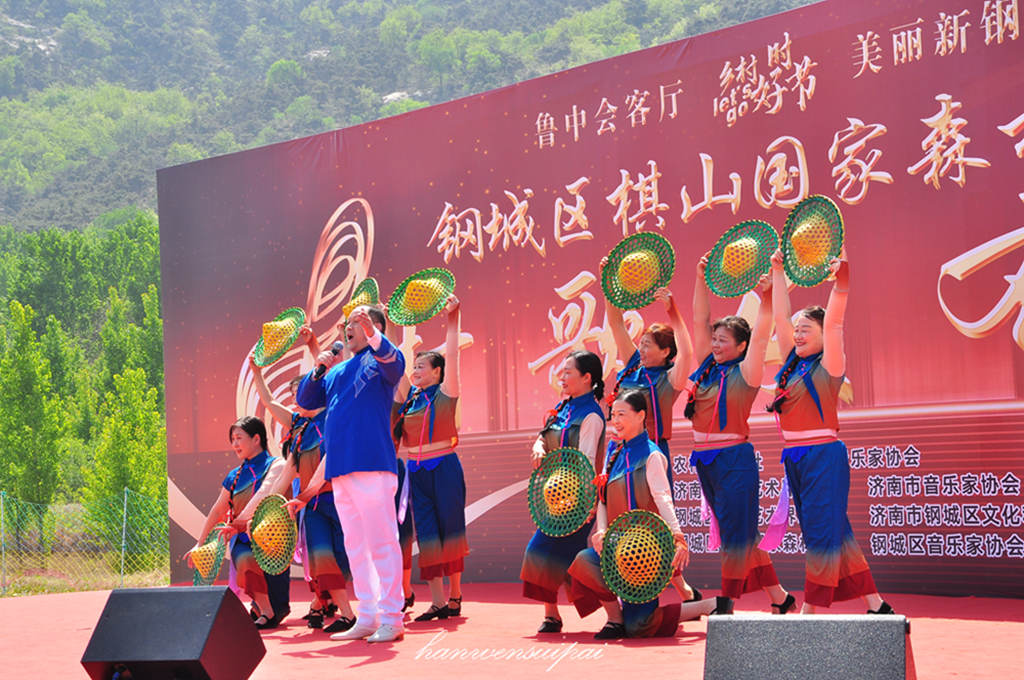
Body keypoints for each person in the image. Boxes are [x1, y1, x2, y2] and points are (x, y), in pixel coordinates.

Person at [769, 249, 893, 614]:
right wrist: (777, 272)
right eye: (797, 330)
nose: (797, 334)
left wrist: (842, 279)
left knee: (822, 532)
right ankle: (876, 605)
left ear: (824, 335)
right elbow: (780, 318)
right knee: (833, 531)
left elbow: (836, 321)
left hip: (823, 456)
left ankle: (811, 608)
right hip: (795, 458)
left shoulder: (830, 365)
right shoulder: (792, 365)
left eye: (806, 329)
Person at [568, 390, 730, 639]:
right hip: (617, 547)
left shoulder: (652, 455)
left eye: (622, 414)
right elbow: (602, 496)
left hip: (645, 552)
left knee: (640, 626)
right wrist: (601, 530)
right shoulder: (614, 451)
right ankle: (614, 620)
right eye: (613, 415)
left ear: (641, 415)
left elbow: (664, 499)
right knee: (583, 562)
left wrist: (678, 537)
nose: (615, 421)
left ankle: (708, 606)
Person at [288, 305, 407, 643]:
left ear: (374, 327)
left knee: (382, 542)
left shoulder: (381, 360)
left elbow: (395, 362)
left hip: (372, 464)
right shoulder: (338, 371)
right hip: (340, 470)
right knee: (356, 546)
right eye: (347, 324)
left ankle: (392, 617)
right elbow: (306, 400)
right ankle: (367, 615)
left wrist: (374, 334)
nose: (348, 328)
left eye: (357, 322)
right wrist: (319, 367)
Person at [687, 257, 794, 613]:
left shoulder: (746, 372)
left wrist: (767, 299)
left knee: (735, 534)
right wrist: (700, 277)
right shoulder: (706, 368)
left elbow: (761, 335)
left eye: (723, 340)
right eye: (714, 339)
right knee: (742, 535)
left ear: (740, 346)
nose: (716, 344)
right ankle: (780, 598)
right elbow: (699, 320)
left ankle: (727, 602)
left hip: (734, 462)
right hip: (705, 462)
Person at [601, 271, 702, 603]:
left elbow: (688, 351)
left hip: (649, 455)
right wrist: (608, 282)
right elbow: (616, 323)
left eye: (648, 345)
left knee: (654, 522)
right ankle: (646, 587)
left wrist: (673, 311)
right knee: (619, 518)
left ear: (665, 351)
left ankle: (671, 587)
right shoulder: (633, 367)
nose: (641, 348)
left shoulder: (668, 379)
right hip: (619, 453)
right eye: (641, 343)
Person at [248, 326, 355, 633]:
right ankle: (346, 614)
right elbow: (287, 471)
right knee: (320, 558)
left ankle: (326, 605)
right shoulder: (298, 429)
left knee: (346, 558)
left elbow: (337, 373)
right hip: (312, 504)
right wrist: (268, 508)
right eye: (295, 395)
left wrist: (314, 344)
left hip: (342, 497)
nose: (297, 399)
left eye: (302, 393)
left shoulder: (333, 416)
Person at [388, 295, 469, 621]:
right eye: (415, 366)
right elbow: (393, 362)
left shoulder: (447, 392)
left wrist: (453, 317)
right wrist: (389, 325)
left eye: (421, 366)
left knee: (451, 530)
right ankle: (436, 602)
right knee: (427, 534)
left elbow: (453, 352)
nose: (416, 370)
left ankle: (455, 594)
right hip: (416, 472)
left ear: (437, 372)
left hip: (445, 468)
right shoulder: (409, 399)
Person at [521, 350, 606, 633]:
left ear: (587, 377)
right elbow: (545, 435)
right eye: (563, 371)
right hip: (554, 497)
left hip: (577, 502)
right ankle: (555, 615)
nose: (562, 376)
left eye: (568, 372)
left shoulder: (592, 415)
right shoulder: (563, 407)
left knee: (543, 553)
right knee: (567, 561)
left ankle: (617, 613)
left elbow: (586, 462)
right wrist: (538, 446)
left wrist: (582, 503)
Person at [186, 416, 291, 629]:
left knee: (280, 601)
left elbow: (264, 494)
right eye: (232, 439)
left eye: (239, 438)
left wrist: (239, 524)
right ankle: (265, 610)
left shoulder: (276, 464)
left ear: (256, 439)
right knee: (245, 560)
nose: (234, 444)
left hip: (271, 538)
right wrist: (200, 543)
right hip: (242, 538)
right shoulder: (234, 476)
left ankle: (269, 608)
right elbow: (218, 510)